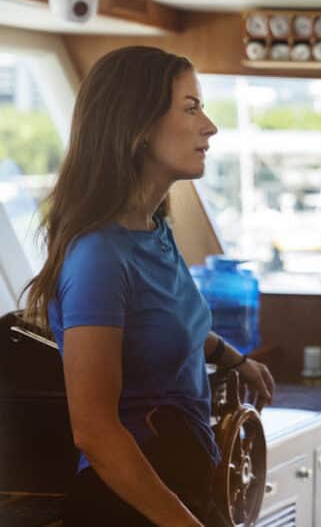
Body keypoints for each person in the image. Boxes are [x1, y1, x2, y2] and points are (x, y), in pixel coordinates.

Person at [22, 46, 275, 526]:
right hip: (126, 503)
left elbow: (168, 322)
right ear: (138, 127)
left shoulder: (153, 232)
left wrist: (236, 360)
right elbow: (95, 431)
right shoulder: (99, 255)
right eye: (190, 107)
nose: (210, 126)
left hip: (181, 481)